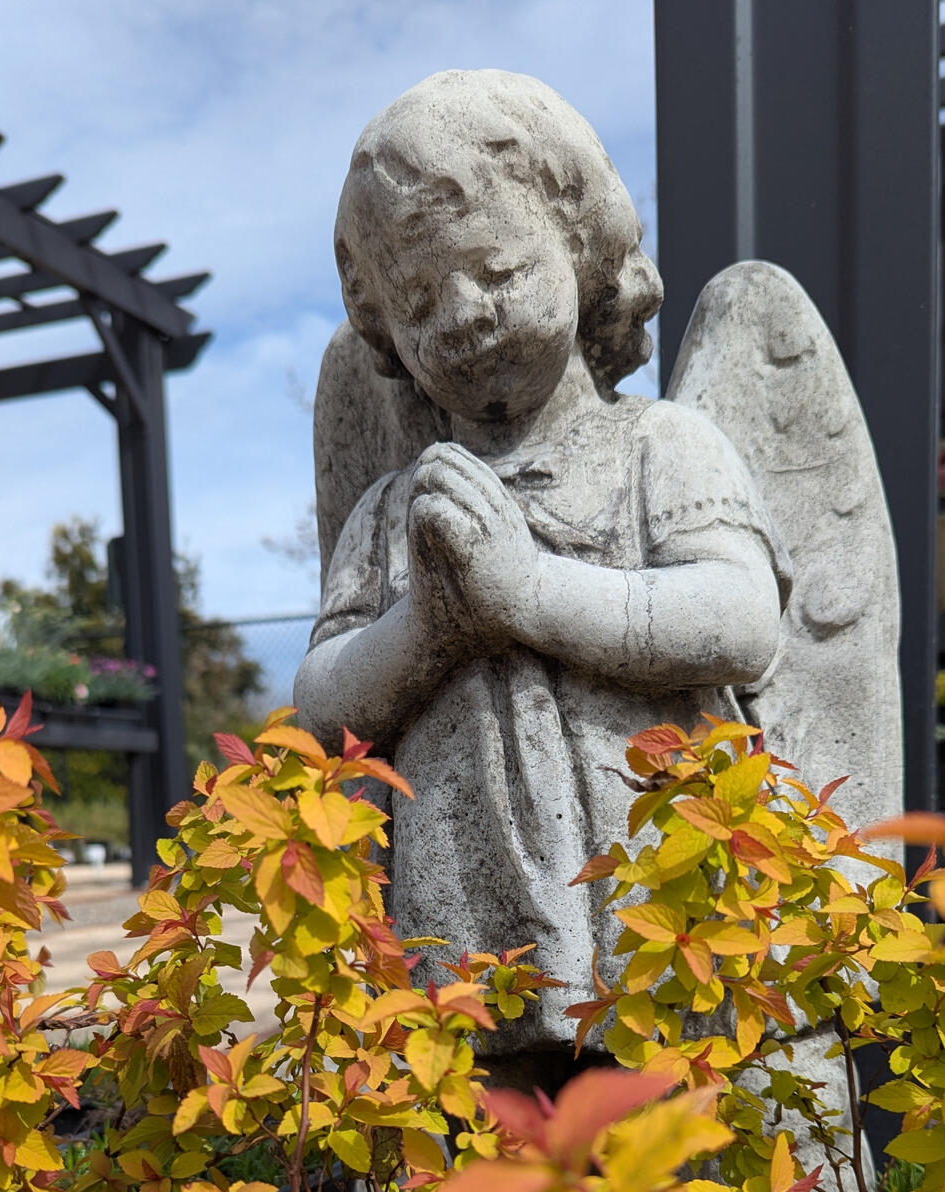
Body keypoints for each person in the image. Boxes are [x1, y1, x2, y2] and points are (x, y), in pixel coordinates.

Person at [295, 69, 789, 1056]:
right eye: (421, 300)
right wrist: (424, 633)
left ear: (578, 243)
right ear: (385, 332)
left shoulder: (660, 447)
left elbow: (740, 618)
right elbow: (321, 699)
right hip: (459, 919)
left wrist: (528, 594)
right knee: (486, 1130)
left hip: (648, 908)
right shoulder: (396, 509)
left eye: (496, 269)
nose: (465, 314)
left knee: (662, 1117)